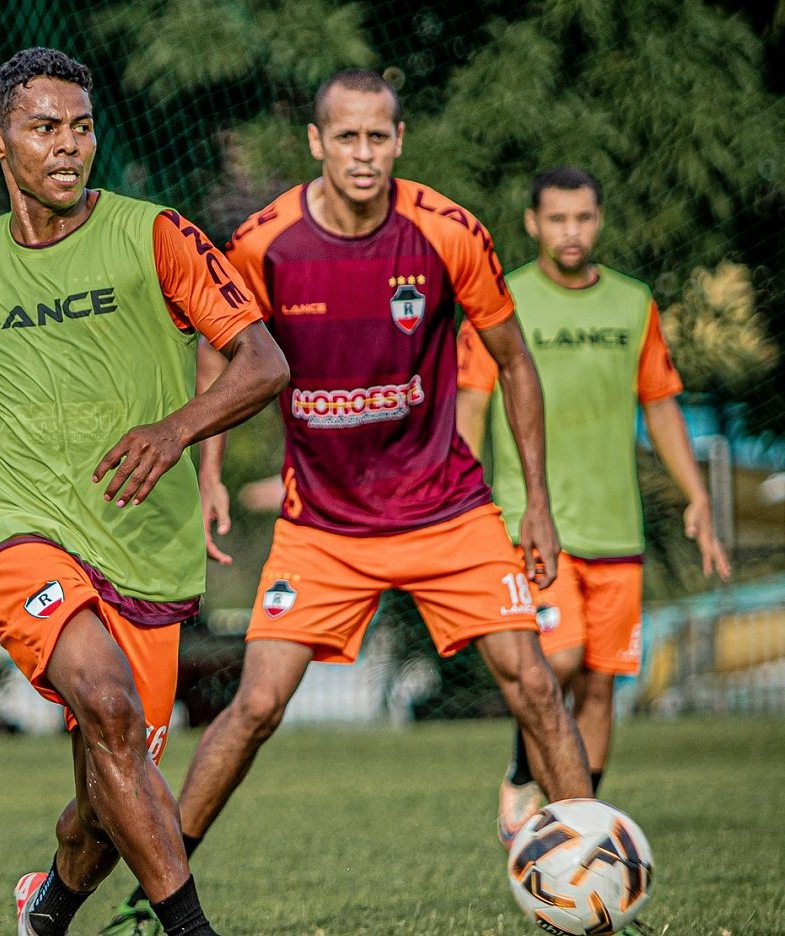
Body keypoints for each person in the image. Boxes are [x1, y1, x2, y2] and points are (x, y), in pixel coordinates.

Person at [103, 69, 592, 936]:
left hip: (448, 507)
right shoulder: (264, 244)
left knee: (536, 687)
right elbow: (223, 357)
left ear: (399, 141)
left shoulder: (447, 233)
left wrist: (538, 506)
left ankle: (595, 890)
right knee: (253, 707)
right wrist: (211, 473)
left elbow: (515, 362)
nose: (363, 155)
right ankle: (155, 906)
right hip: (323, 525)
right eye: (346, 137)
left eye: (378, 138)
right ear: (316, 143)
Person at [0, 48, 288, 936]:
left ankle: (50, 909)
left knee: (105, 811)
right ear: (0, 140)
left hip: (143, 550)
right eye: (44, 128)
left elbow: (265, 361)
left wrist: (176, 427)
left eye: (81, 128)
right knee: (107, 707)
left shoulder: (154, 234)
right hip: (21, 531)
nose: (67, 147)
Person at [457, 165, 732, 846]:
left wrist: (697, 496)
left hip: (617, 527)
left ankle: (578, 832)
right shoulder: (503, 299)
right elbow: (470, 402)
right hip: (535, 522)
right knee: (564, 658)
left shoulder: (633, 304)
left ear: (598, 221)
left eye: (582, 218)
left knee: (603, 686)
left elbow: (661, 406)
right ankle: (526, 774)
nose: (570, 231)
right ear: (532, 223)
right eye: (557, 219)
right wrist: (462, 497)